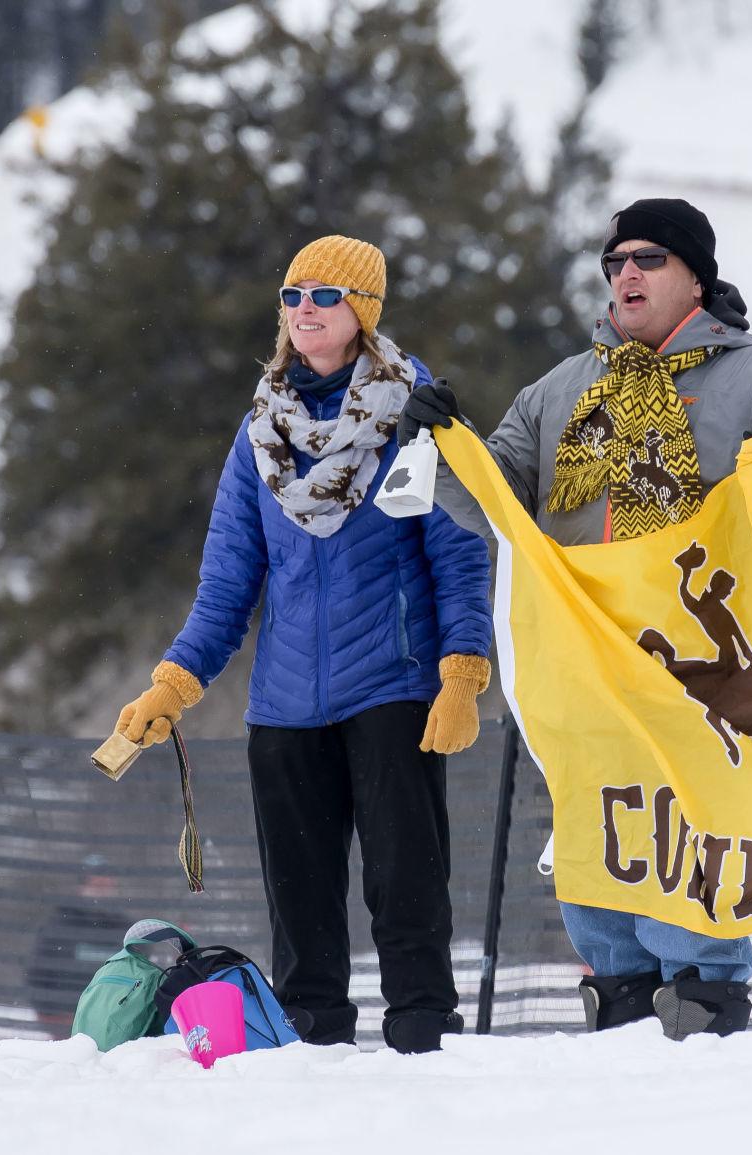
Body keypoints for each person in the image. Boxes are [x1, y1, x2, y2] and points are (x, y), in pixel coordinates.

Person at [403, 198, 752, 1040]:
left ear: (696, 274)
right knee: (602, 842)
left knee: (699, 847)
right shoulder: (561, 392)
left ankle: (704, 1008)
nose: (626, 272)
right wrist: (440, 449)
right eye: (615, 259)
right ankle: (617, 1009)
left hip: (701, 675)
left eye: (648, 257)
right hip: (586, 672)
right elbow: (494, 504)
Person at [109, 235, 493, 1055]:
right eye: (292, 296)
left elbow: (460, 553)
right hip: (284, 702)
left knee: (405, 876)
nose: (305, 309)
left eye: (325, 294)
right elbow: (226, 585)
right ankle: (313, 1030)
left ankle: (423, 1025)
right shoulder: (259, 434)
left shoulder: (415, 417)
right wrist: (172, 686)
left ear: (364, 310)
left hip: (393, 684)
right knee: (299, 888)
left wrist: (463, 671)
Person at [25, 856, 132, 1034]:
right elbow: (36, 973)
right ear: (81, 887)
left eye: (106, 886)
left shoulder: (126, 930)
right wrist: (50, 1014)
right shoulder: (57, 926)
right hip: (65, 1023)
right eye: (96, 885)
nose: (102, 892)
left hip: (113, 1025)